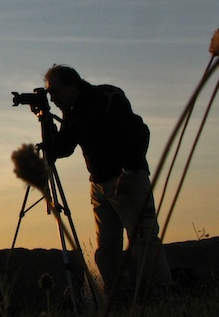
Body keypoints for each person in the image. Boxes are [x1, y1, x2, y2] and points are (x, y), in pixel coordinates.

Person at [38, 64, 172, 297]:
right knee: (107, 250)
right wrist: (45, 120)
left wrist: (129, 171)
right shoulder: (73, 112)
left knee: (143, 241)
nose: (54, 99)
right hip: (99, 186)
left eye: (56, 92)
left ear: (73, 86)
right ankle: (120, 296)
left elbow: (140, 132)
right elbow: (63, 148)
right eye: (50, 94)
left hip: (127, 180)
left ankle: (163, 294)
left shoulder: (107, 97)